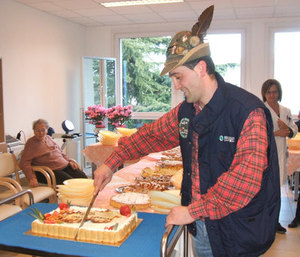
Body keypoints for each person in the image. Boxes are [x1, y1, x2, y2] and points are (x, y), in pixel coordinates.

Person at [93, 5, 280, 257]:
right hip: (202, 225)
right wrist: (110, 163)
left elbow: (243, 180)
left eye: (179, 76)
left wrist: (191, 211)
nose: (176, 85)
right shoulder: (188, 111)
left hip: (239, 228)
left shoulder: (248, 112)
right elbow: (151, 135)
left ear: (201, 68)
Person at [261, 79, 298, 233]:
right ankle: (264, 223)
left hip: (282, 154)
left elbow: (293, 129)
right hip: (267, 154)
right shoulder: (261, 110)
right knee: (266, 191)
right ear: (264, 93)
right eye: (269, 92)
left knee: (277, 191)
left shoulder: (286, 110)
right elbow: (259, 133)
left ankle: (274, 222)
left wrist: (288, 131)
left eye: (275, 91)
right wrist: (277, 133)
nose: (272, 95)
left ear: (279, 92)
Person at [20, 119, 87, 186]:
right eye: (37, 130)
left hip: (64, 165)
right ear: (34, 131)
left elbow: (61, 152)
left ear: (47, 130)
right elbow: (24, 162)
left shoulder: (49, 138)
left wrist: (69, 161)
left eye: (43, 130)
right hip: (50, 170)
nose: (40, 133)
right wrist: (32, 178)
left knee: (84, 178)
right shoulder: (31, 143)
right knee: (70, 183)